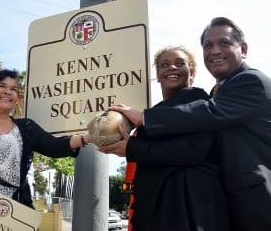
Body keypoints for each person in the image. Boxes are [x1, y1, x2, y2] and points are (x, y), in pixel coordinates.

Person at [105, 17, 271, 231]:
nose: (215, 51)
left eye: (225, 43)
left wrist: (144, 121)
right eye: (208, 45)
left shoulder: (251, 81)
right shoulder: (217, 93)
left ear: (244, 49)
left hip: (251, 201)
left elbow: (207, 116)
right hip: (223, 202)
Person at [98, 46, 231, 231]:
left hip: (188, 209)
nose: (172, 68)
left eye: (180, 63)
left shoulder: (198, 100)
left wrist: (132, 148)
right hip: (153, 211)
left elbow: (194, 150)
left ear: (191, 72)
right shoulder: (149, 114)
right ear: (158, 75)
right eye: (164, 65)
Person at [0, 69, 91, 208]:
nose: (8, 91)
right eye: (2, 86)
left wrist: (90, 137)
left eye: (13, 89)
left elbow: (55, 145)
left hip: (16, 209)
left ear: (17, 98)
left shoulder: (26, 127)